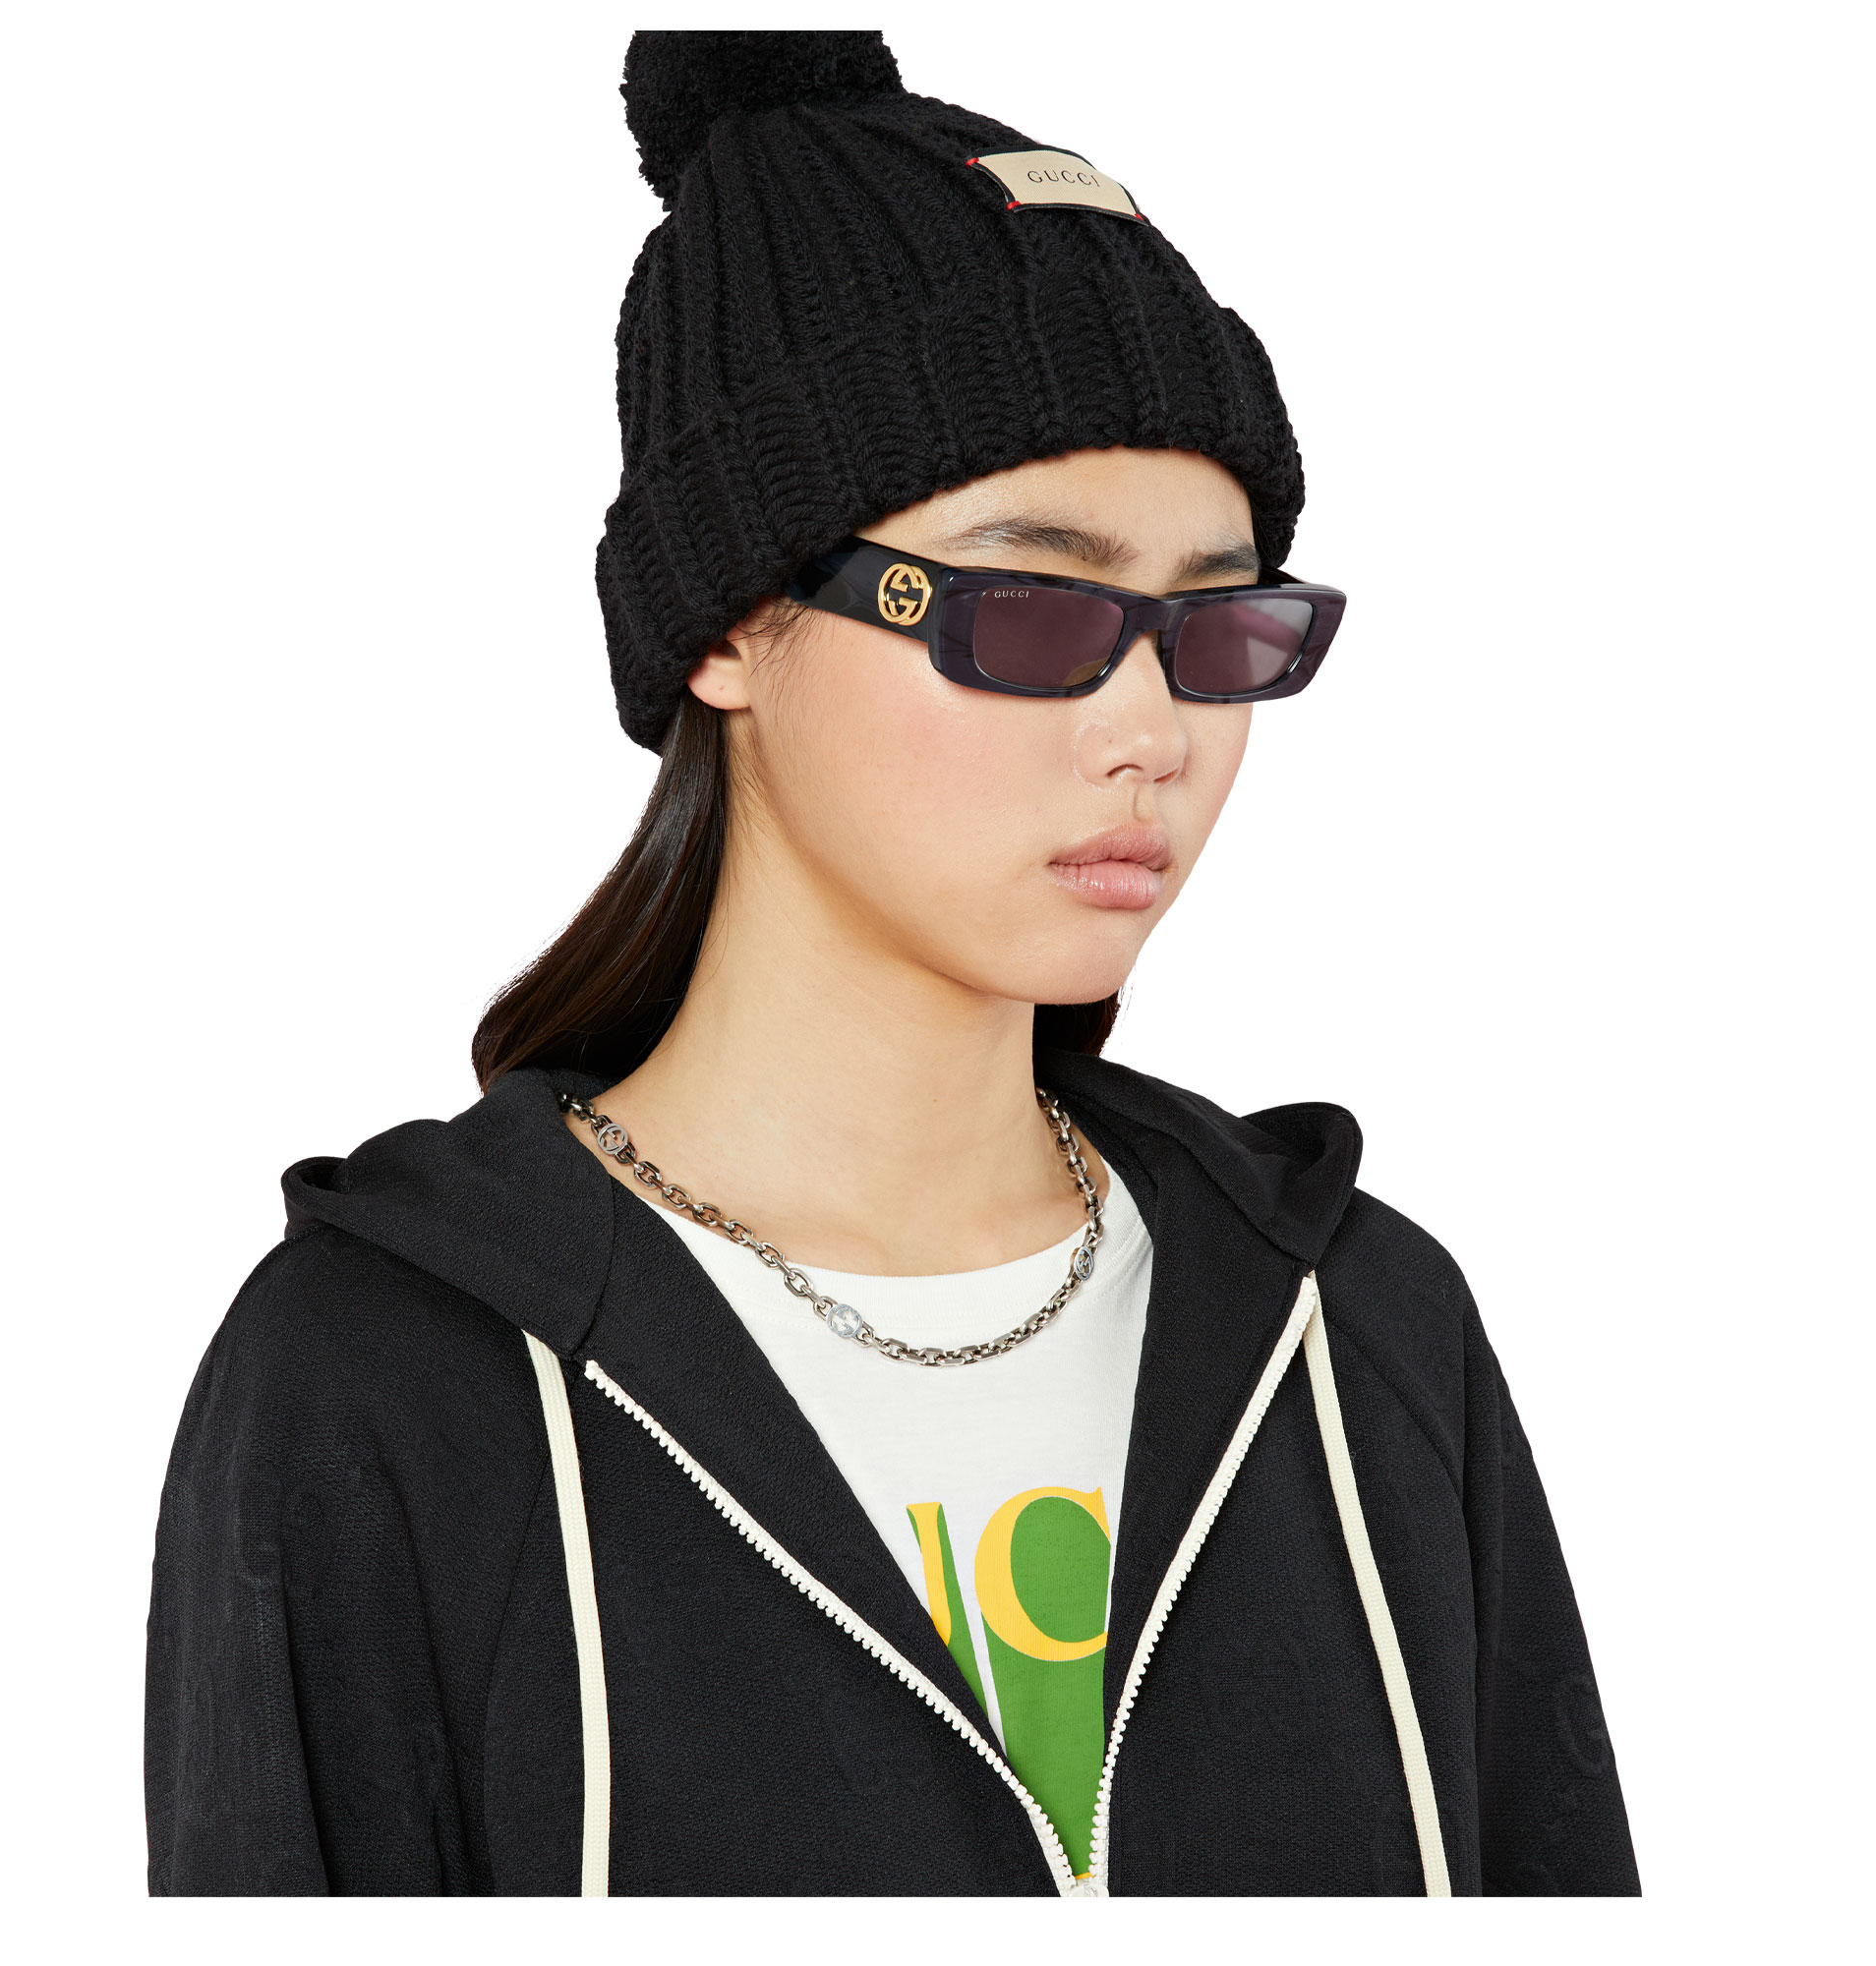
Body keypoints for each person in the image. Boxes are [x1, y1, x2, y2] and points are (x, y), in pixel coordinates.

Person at [145, 29, 1638, 1896]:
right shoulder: (389, 1378)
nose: (1152, 734)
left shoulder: (1363, 1331)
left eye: (1218, 627)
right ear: (728, 624)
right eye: (1032, 610)